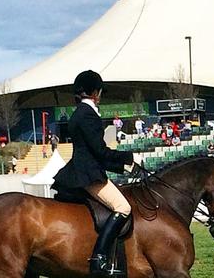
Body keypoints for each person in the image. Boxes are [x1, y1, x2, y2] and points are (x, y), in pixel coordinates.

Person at [52, 70, 142, 276]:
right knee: (123, 207)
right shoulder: (88, 115)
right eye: (99, 91)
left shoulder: (78, 113)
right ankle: (99, 258)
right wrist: (129, 158)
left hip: (82, 169)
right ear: (95, 92)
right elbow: (100, 152)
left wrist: (123, 165)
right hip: (88, 173)